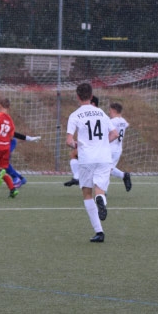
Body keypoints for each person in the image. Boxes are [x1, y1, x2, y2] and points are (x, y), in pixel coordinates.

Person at [65, 83, 118, 242]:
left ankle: (99, 232)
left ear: (77, 96)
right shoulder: (101, 113)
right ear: (91, 95)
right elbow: (114, 134)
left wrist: (76, 145)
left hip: (87, 158)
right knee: (99, 190)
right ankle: (101, 199)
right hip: (104, 158)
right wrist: (102, 143)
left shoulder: (75, 115)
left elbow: (69, 141)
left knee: (87, 193)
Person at [63, 94, 100, 187]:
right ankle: (77, 177)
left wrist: (76, 144)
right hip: (98, 147)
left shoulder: (82, 115)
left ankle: (77, 177)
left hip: (94, 148)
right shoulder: (101, 114)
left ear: (93, 104)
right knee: (75, 154)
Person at [108, 102, 132, 192]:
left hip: (110, 148)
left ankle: (103, 193)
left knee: (105, 170)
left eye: (110, 110)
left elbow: (112, 133)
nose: (109, 112)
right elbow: (127, 124)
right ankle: (124, 175)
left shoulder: (112, 121)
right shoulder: (123, 121)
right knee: (108, 169)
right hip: (118, 149)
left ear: (114, 110)